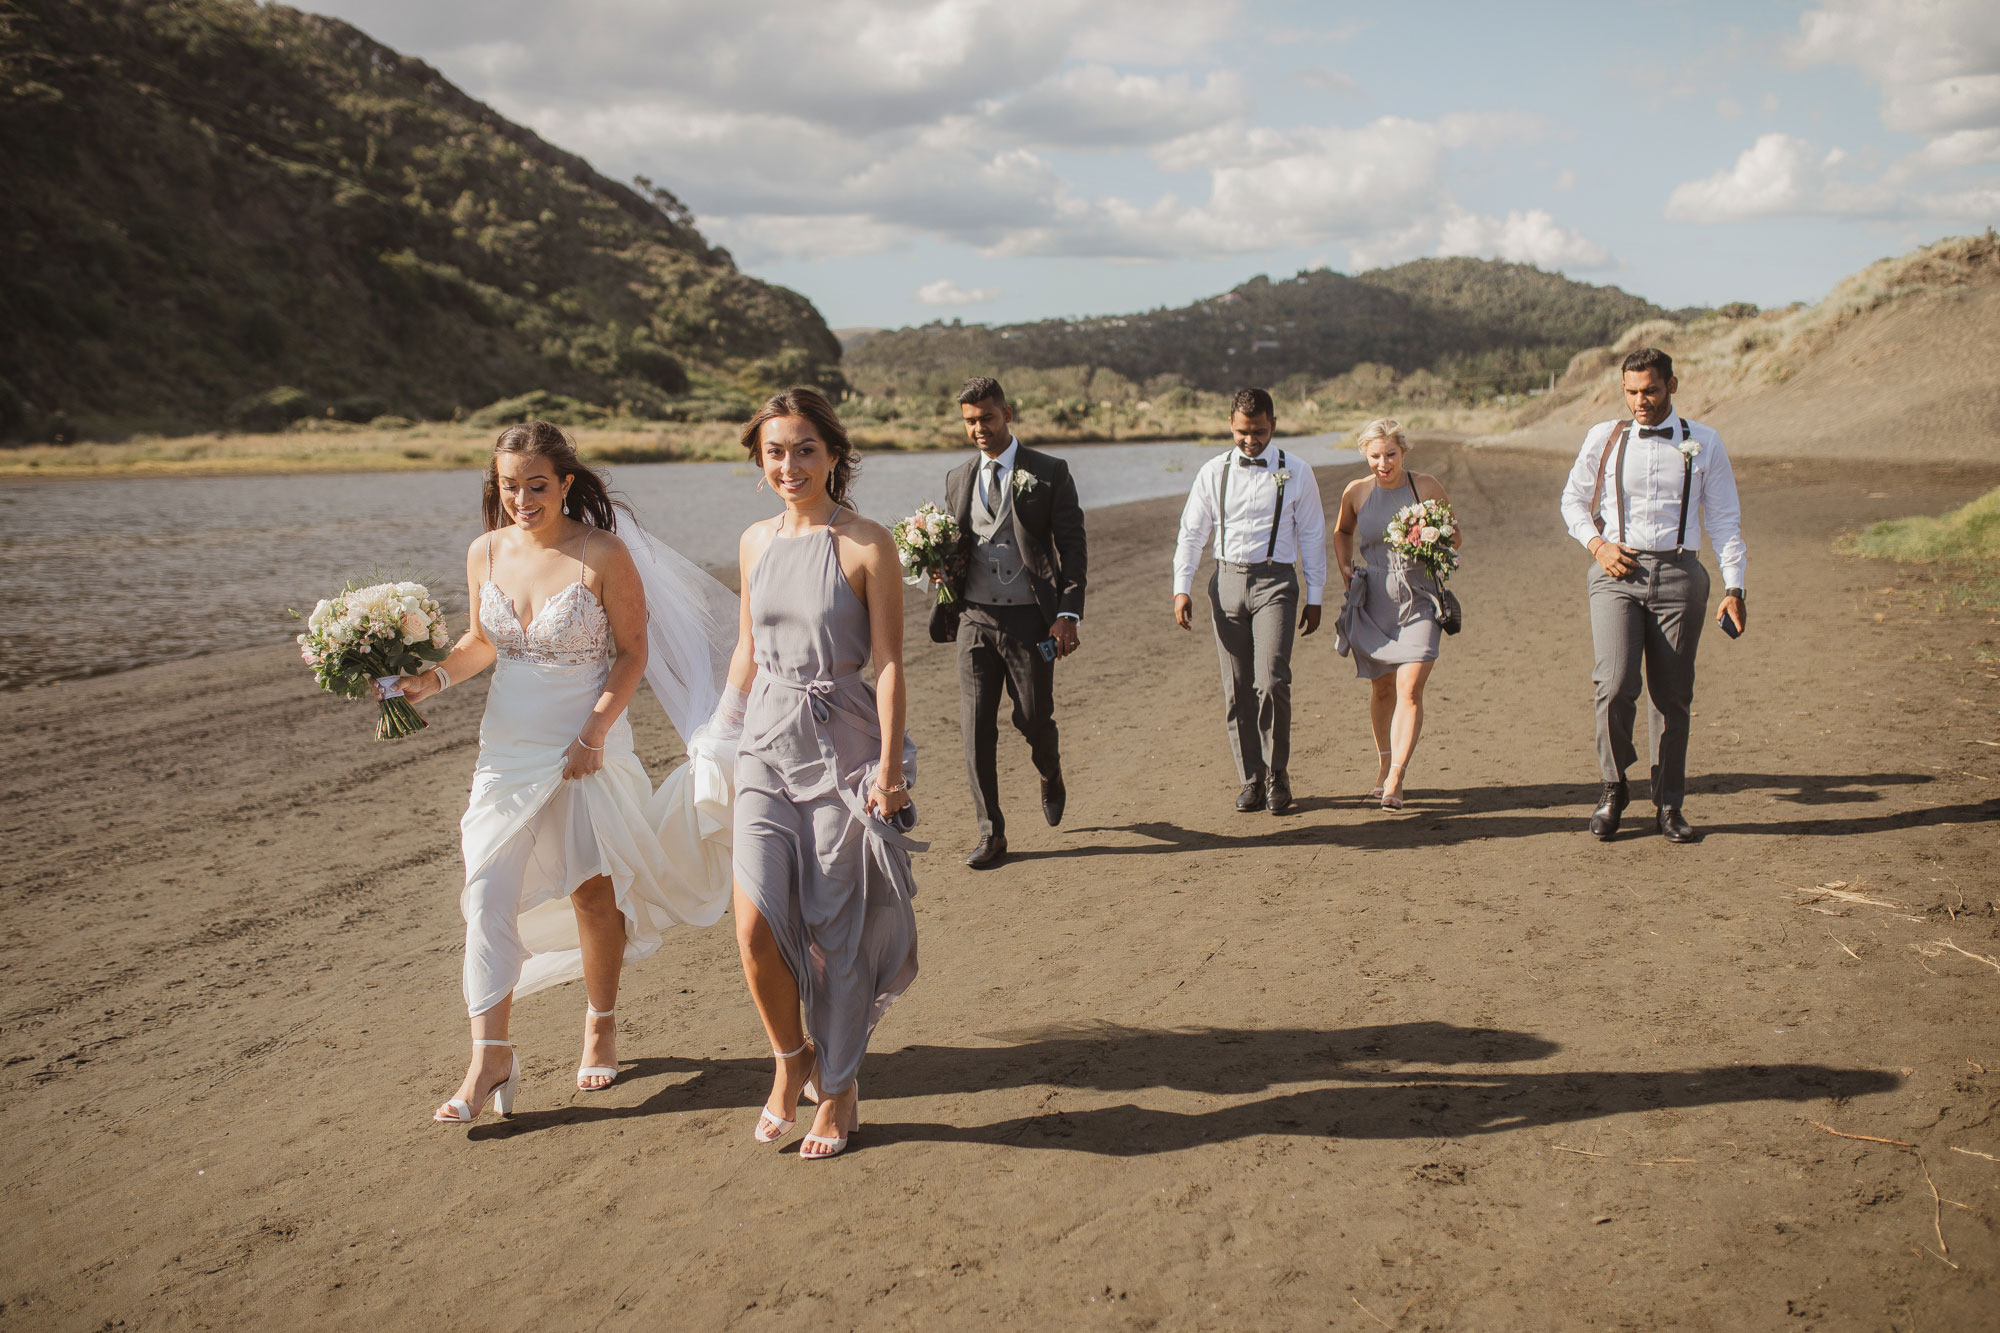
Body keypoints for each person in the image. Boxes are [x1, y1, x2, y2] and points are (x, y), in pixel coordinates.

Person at [389, 421, 740, 1125]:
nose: (522, 497)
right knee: (486, 889)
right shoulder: (485, 550)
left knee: (591, 892)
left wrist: (594, 732)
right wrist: (430, 680)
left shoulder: (602, 552)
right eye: (510, 485)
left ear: (565, 484)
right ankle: (490, 1054)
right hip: (506, 750)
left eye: (537, 485)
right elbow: (481, 643)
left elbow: (632, 654)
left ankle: (601, 1019)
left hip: (585, 746)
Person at [725, 387, 921, 1160]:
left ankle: (837, 1092)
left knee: (837, 933)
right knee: (754, 925)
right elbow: (747, 646)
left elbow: (891, 663)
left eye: (805, 448)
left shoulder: (868, 544)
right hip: (764, 743)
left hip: (844, 747)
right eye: (775, 451)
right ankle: (789, 1059)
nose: (790, 464)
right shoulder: (752, 542)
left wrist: (890, 769)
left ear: (835, 453)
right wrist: (720, 729)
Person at [1559, 347, 1747, 843]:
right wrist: (1597, 545)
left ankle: (1668, 804)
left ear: (1672, 386)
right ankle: (1614, 786)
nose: (1640, 401)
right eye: (1631, 392)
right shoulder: (1603, 437)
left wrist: (1735, 586)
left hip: (1681, 573)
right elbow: (1573, 500)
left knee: (1672, 698)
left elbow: (1725, 520)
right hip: (1615, 570)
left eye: (1650, 391)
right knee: (1615, 683)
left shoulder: (1705, 442)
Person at [930, 376, 1088, 868]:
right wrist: (932, 565)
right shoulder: (958, 478)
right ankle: (991, 832)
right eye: (970, 421)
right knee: (976, 726)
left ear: (1008, 413)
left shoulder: (1048, 471)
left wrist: (1066, 613)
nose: (979, 428)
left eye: (987, 418)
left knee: (1032, 716)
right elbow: (955, 546)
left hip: (1031, 621)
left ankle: (1051, 768)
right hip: (975, 617)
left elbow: (1073, 547)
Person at [1171, 387, 1327, 814]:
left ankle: (1278, 774)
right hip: (1226, 582)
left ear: (1273, 426)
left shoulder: (1297, 471)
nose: (1250, 440)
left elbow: (1312, 536)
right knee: (1236, 688)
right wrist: (1181, 587)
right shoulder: (1212, 471)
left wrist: (1316, 596)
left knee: (1272, 680)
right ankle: (1252, 779)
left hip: (1276, 583)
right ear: (1230, 425)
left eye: (1258, 432)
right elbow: (1192, 533)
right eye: (1243, 432)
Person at [1332, 419, 1459, 811]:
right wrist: (1345, 567)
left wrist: (1430, 539)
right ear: (1365, 456)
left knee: (1410, 688)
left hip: (1419, 598)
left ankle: (1397, 778)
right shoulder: (1356, 492)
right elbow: (1342, 532)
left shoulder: (1427, 487)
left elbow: (1453, 535)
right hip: (1373, 601)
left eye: (1390, 454)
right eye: (1375, 456)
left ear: (1403, 451)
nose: (1383, 463)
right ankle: (1384, 763)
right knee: (1383, 689)